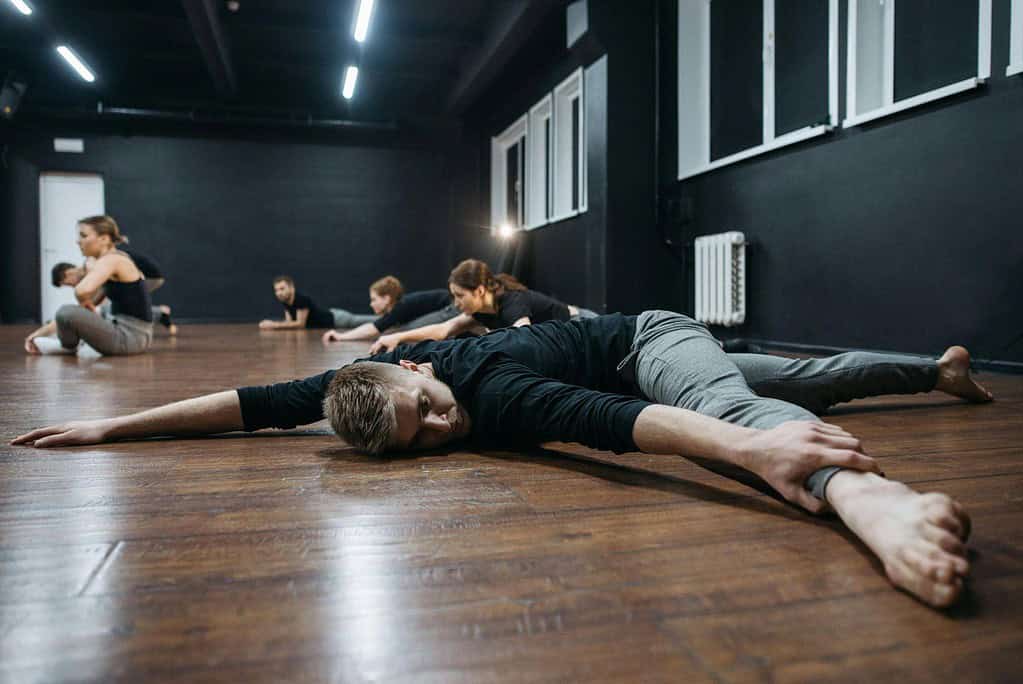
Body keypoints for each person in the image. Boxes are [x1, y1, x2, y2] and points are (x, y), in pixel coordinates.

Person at [12, 311, 992, 608]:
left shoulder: (490, 389)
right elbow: (240, 409)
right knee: (807, 373)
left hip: (646, 342)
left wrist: (764, 454)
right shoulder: (365, 387)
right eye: (421, 444)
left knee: (743, 402)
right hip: (636, 356)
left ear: (413, 370)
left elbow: (628, 426)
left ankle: (867, 499)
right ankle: (936, 367)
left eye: (431, 413)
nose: (445, 431)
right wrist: (110, 428)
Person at [369, 258, 597, 353]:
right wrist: (398, 337)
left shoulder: (511, 302)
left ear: (479, 291)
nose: (456, 303)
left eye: (459, 296)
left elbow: (527, 339)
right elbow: (443, 330)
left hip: (584, 324)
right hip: (566, 334)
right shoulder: (483, 309)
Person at [24, 216, 154, 355]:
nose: (78, 241)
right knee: (67, 313)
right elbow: (78, 312)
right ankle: (67, 345)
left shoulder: (113, 260)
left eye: (84, 236)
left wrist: (85, 302)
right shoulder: (110, 261)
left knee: (65, 311)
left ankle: (67, 347)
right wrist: (39, 333)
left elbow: (81, 291)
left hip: (129, 338)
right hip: (131, 336)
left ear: (104, 239)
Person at [52, 246, 178, 335]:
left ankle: (159, 312)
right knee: (116, 302)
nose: (71, 286)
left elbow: (95, 296)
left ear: (68, 273)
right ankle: (158, 312)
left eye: (67, 284)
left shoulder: (90, 264)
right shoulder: (92, 266)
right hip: (147, 274)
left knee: (114, 304)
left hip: (151, 276)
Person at [321, 275, 461, 343]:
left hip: (453, 308)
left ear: (387, 298)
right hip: (449, 307)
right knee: (402, 330)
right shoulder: (400, 306)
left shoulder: (400, 307)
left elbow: (373, 329)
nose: (371, 304)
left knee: (406, 331)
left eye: (374, 299)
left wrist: (341, 336)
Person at [259, 275, 376, 331]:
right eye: (276, 290)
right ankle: (389, 319)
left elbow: (300, 324)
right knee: (369, 321)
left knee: (370, 320)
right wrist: (271, 324)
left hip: (337, 318)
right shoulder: (286, 302)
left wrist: (274, 325)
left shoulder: (300, 299)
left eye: (282, 288)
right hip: (334, 316)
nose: (279, 293)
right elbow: (289, 323)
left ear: (291, 287)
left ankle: (391, 318)